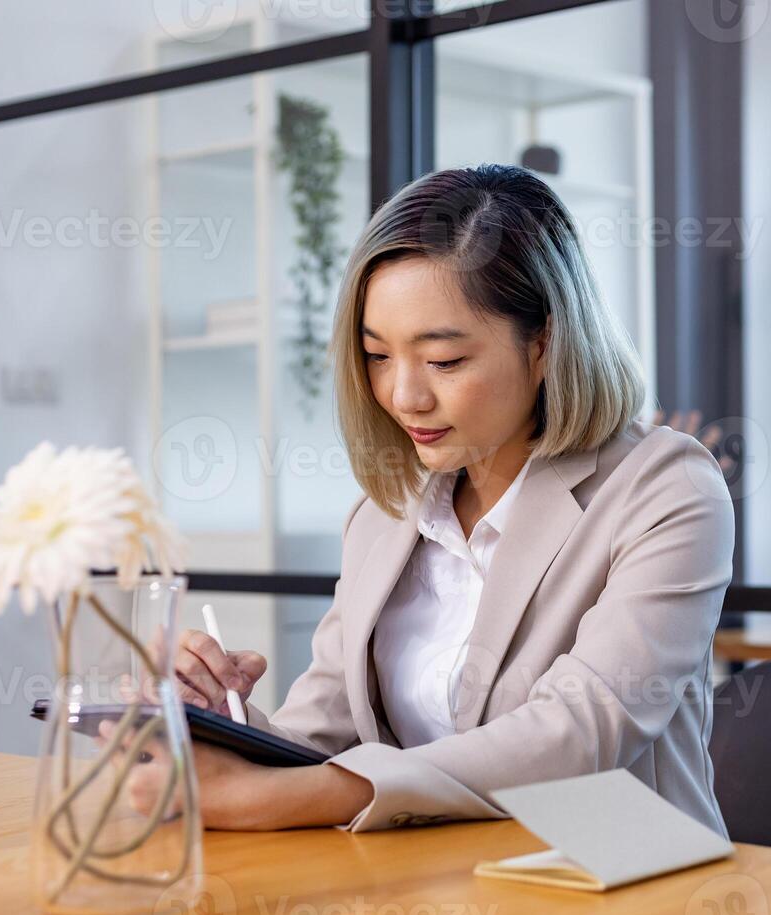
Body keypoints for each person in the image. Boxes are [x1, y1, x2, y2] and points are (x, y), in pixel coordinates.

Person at [126, 164, 736, 834]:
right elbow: (324, 737)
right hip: (429, 891)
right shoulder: (384, 515)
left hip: (614, 884)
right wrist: (223, 726)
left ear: (544, 345)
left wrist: (251, 799)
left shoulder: (664, 488)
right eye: (377, 356)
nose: (404, 396)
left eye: (443, 361)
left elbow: (578, 736)